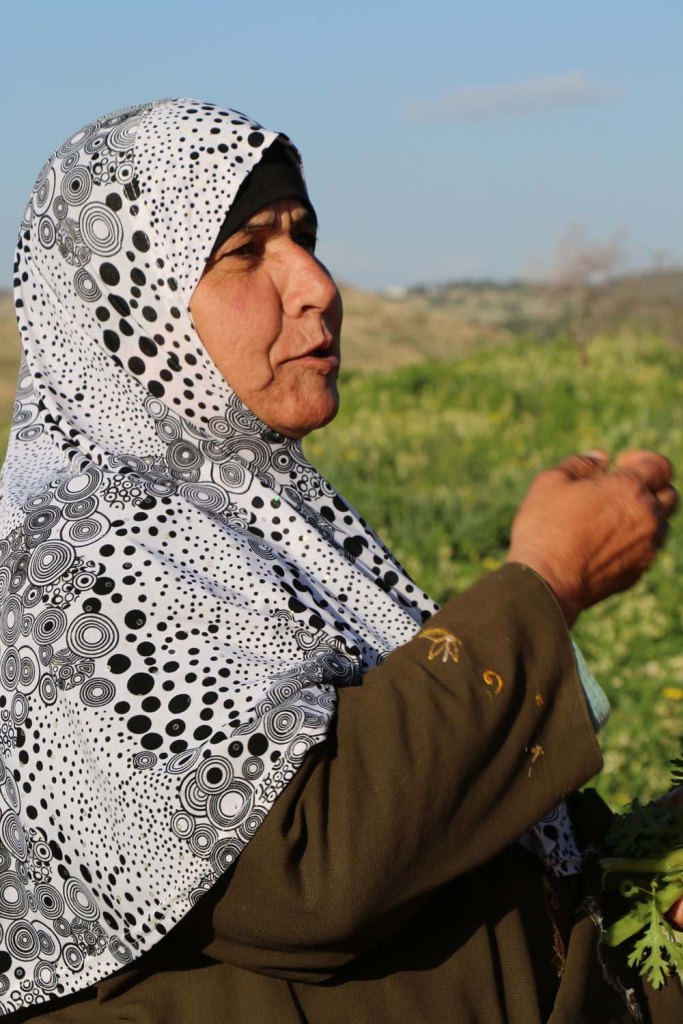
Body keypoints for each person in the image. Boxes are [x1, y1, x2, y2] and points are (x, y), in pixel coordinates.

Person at [1, 97, 680, 1023]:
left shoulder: (257, 520)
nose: (316, 283)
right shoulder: (72, 564)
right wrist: (544, 586)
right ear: (119, 304)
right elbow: (304, 870)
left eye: (304, 236)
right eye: (245, 253)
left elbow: (424, 780)